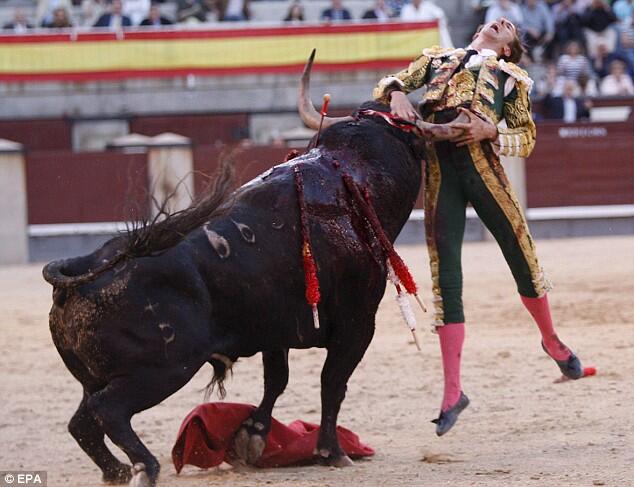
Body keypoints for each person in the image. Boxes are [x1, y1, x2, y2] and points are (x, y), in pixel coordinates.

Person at [372, 17, 585, 436]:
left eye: (511, 30)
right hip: (439, 171)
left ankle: (552, 341)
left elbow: (526, 137)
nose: (503, 21)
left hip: (483, 168)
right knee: (445, 278)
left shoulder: (510, 75)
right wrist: (396, 93)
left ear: (507, 49)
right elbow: (390, 82)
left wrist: (492, 129)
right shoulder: (436, 59)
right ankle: (453, 391)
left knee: (522, 258)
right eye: (498, 21)